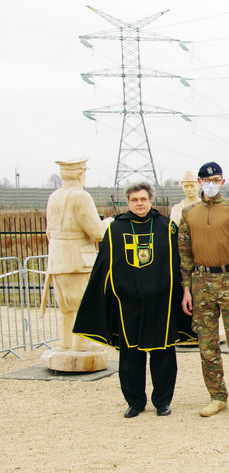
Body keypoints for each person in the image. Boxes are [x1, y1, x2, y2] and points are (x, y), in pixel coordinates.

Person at [74, 181, 194, 417]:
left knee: (163, 354)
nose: (139, 204)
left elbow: (178, 263)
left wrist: (183, 293)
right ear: (128, 202)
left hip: (160, 303)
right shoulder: (116, 229)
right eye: (134, 200)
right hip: (128, 303)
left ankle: (162, 401)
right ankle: (135, 402)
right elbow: (105, 266)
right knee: (130, 355)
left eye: (143, 199)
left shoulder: (166, 227)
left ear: (151, 201)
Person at [179, 162, 229, 418]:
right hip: (201, 283)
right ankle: (217, 397)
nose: (211, 184)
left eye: (216, 180)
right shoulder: (189, 213)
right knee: (207, 345)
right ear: (200, 182)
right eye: (207, 180)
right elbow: (184, 254)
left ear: (222, 182)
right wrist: (186, 288)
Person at [41, 158, 110, 372]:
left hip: (57, 258)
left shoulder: (54, 196)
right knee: (82, 303)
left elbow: (48, 231)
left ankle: (66, 343)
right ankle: (80, 345)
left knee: (66, 306)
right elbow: (97, 232)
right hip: (77, 259)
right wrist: (108, 223)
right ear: (80, 173)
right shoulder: (81, 196)